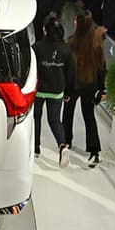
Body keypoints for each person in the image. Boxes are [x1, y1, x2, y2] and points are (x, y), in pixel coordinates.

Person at [63, 12, 106, 167]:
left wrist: (65, 88)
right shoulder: (96, 45)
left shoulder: (71, 43)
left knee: (68, 112)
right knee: (89, 116)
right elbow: (102, 68)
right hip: (90, 85)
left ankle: (66, 141)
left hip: (73, 85)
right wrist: (101, 88)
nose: (74, 22)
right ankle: (94, 151)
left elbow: (67, 68)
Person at [32, 17, 73, 165]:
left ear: (45, 30)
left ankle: (36, 148)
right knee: (55, 120)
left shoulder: (37, 47)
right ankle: (62, 146)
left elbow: (31, 69)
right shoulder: (66, 49)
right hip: (57, 90)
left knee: (36, 118)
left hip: (39, 90)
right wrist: (68, 92)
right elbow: (70, 73)